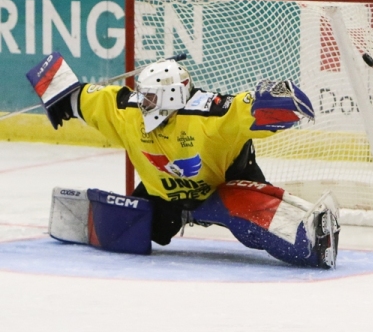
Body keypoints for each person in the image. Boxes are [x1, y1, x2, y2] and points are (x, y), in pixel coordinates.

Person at [27, 52, 340, 269]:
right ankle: (174, 216)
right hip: (163, 197)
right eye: (142, 94)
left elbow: (244, 108)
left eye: (151, 97)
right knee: (123, 232)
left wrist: (278, 99)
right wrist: (57, 88)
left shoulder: (209, 116)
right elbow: (86, 98)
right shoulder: (129, 113)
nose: (143, 101)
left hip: (224, 186)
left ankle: (311, 235)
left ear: (174, 96)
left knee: (253, 217)